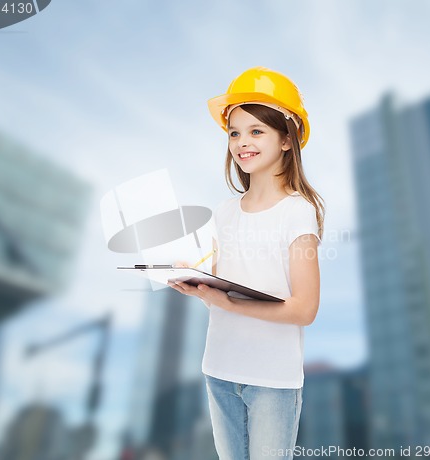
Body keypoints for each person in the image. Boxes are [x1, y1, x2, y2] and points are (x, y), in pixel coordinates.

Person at [168, 66, 325, 460]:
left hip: (272, 380)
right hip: (219, 370)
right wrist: (195, 282)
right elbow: (222, 290)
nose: (242, 142)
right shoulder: (223, 212)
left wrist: (229, 303)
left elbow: (304, 309)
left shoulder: (298, 212)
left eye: (256, 131)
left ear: (287, 140)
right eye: (235, 132)